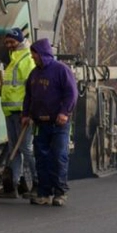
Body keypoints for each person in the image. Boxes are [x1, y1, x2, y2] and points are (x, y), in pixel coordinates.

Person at [21, 37, 78, 206]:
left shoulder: (61, 70)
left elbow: (71, 93)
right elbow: (28, 96)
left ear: (42, 54)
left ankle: (60, 193)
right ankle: (44, 193)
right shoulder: (34, 73)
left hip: (58, 123)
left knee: (58, 156)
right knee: (42, 158)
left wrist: (64, 112)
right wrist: (26, 114)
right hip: (40, 123)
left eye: (34, 55)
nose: (33, 58)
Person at [0, 28, 36, 199]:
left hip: (22, 113)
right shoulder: (13, 59)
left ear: (19, 41)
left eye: (12, 42)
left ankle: (37, 183)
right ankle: (13, 186)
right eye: (7, 43)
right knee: (14, 149)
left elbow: (32, 89)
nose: (9, 45)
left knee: (26, 148)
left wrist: (29, 112)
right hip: (10, 112)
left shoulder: (27, 59)